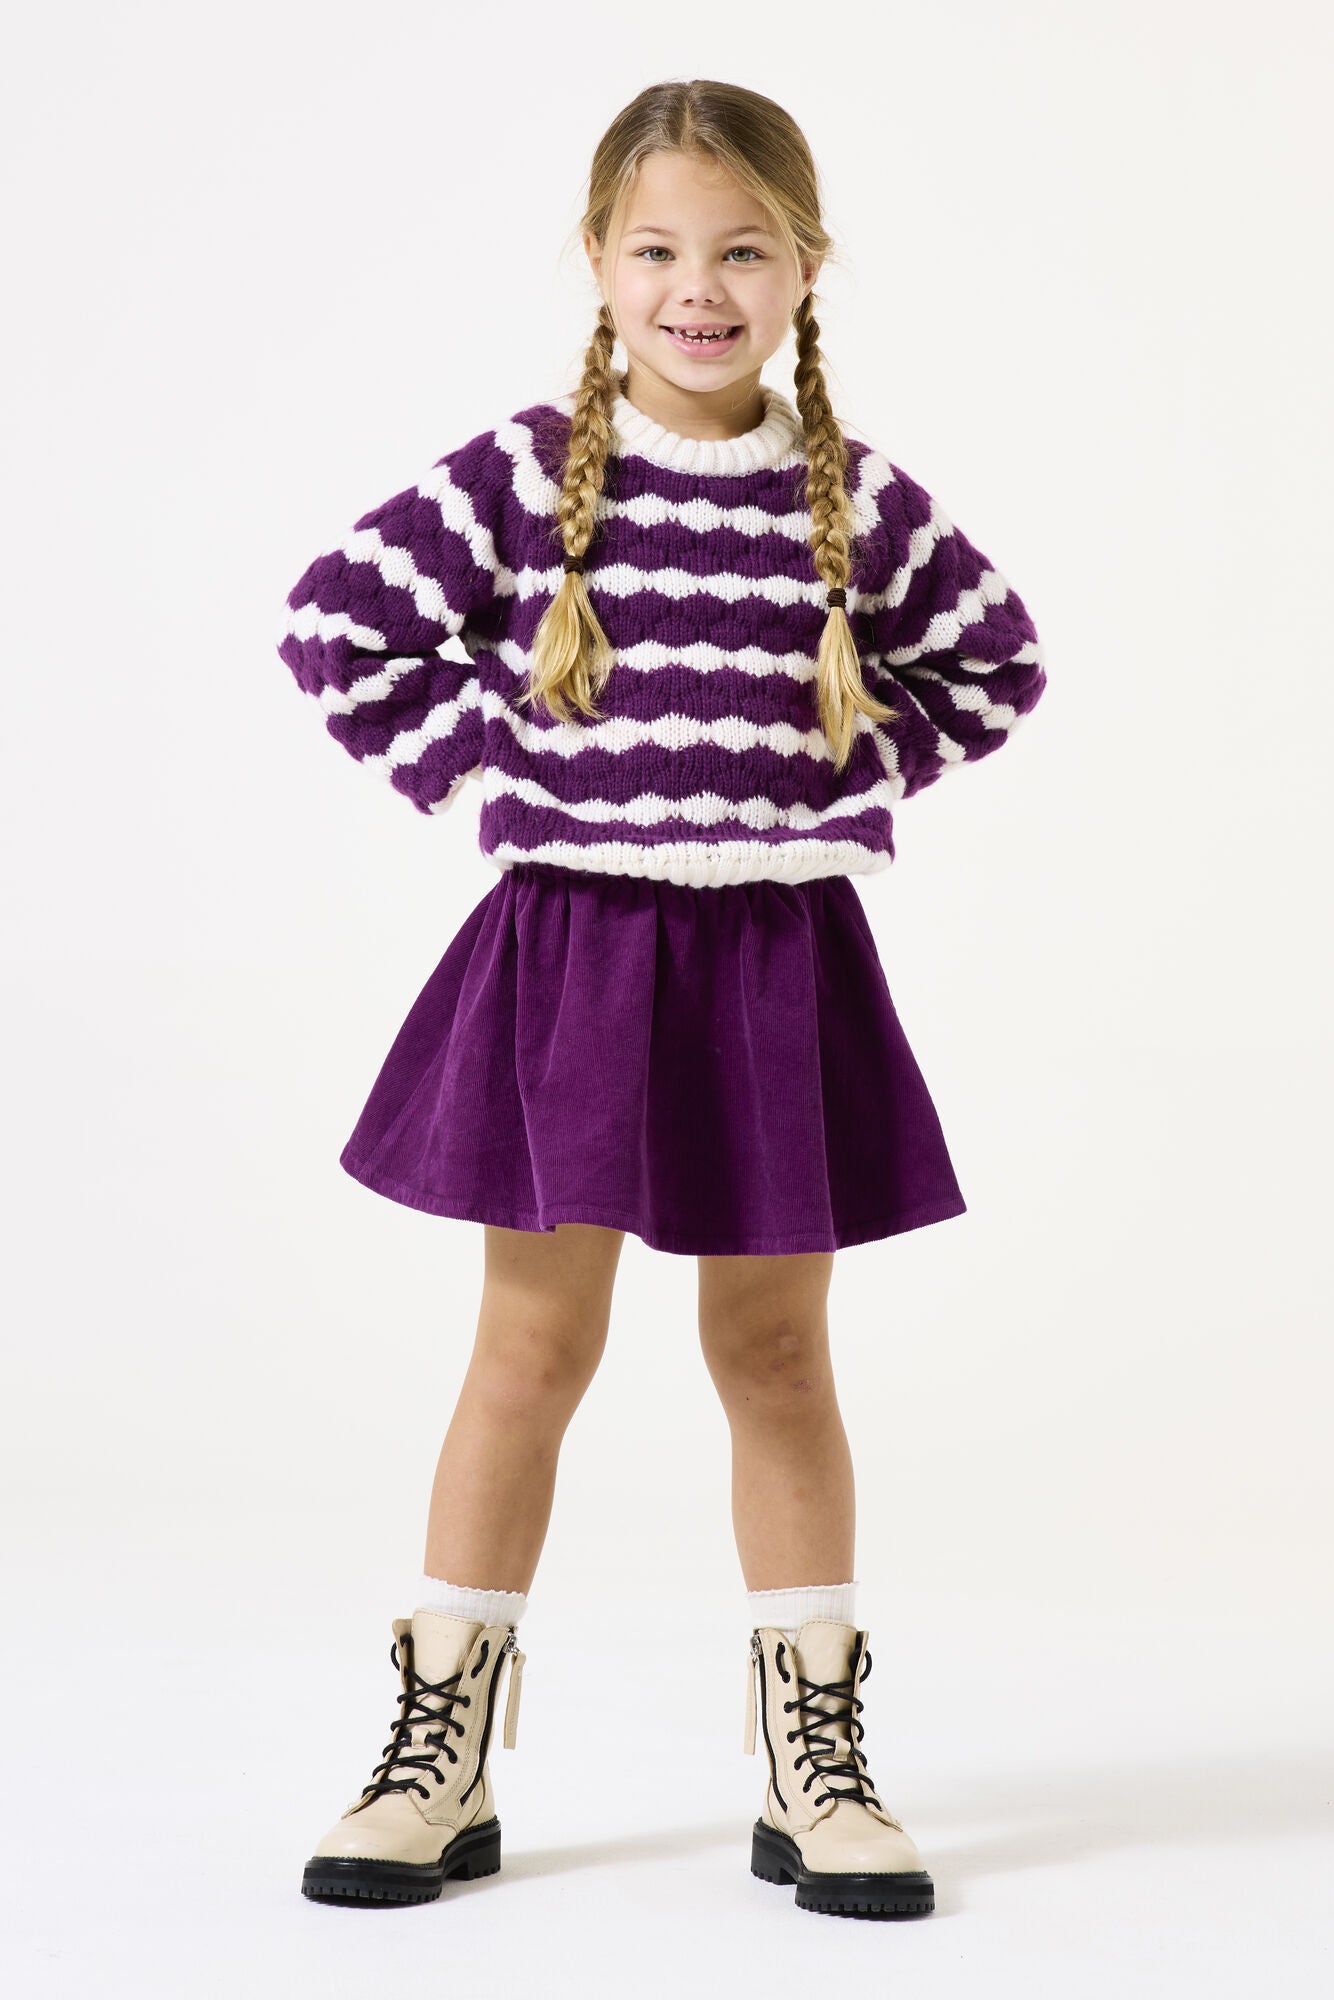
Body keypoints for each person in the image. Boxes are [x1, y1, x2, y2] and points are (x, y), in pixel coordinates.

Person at [275, 77, 1046, 1921]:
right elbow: (335, 623)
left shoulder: (853, 498)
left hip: (775, 966)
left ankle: (814, 1764)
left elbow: (998, 664)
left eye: (741, 252)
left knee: (773, 1358)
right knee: (529, 1354)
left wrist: (835, 774)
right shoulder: (527, 472)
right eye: (657, 251)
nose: (698, 289)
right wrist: (497, 780)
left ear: (804, 268)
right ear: (599, 262)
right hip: (572, 961)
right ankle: (438, 1755)